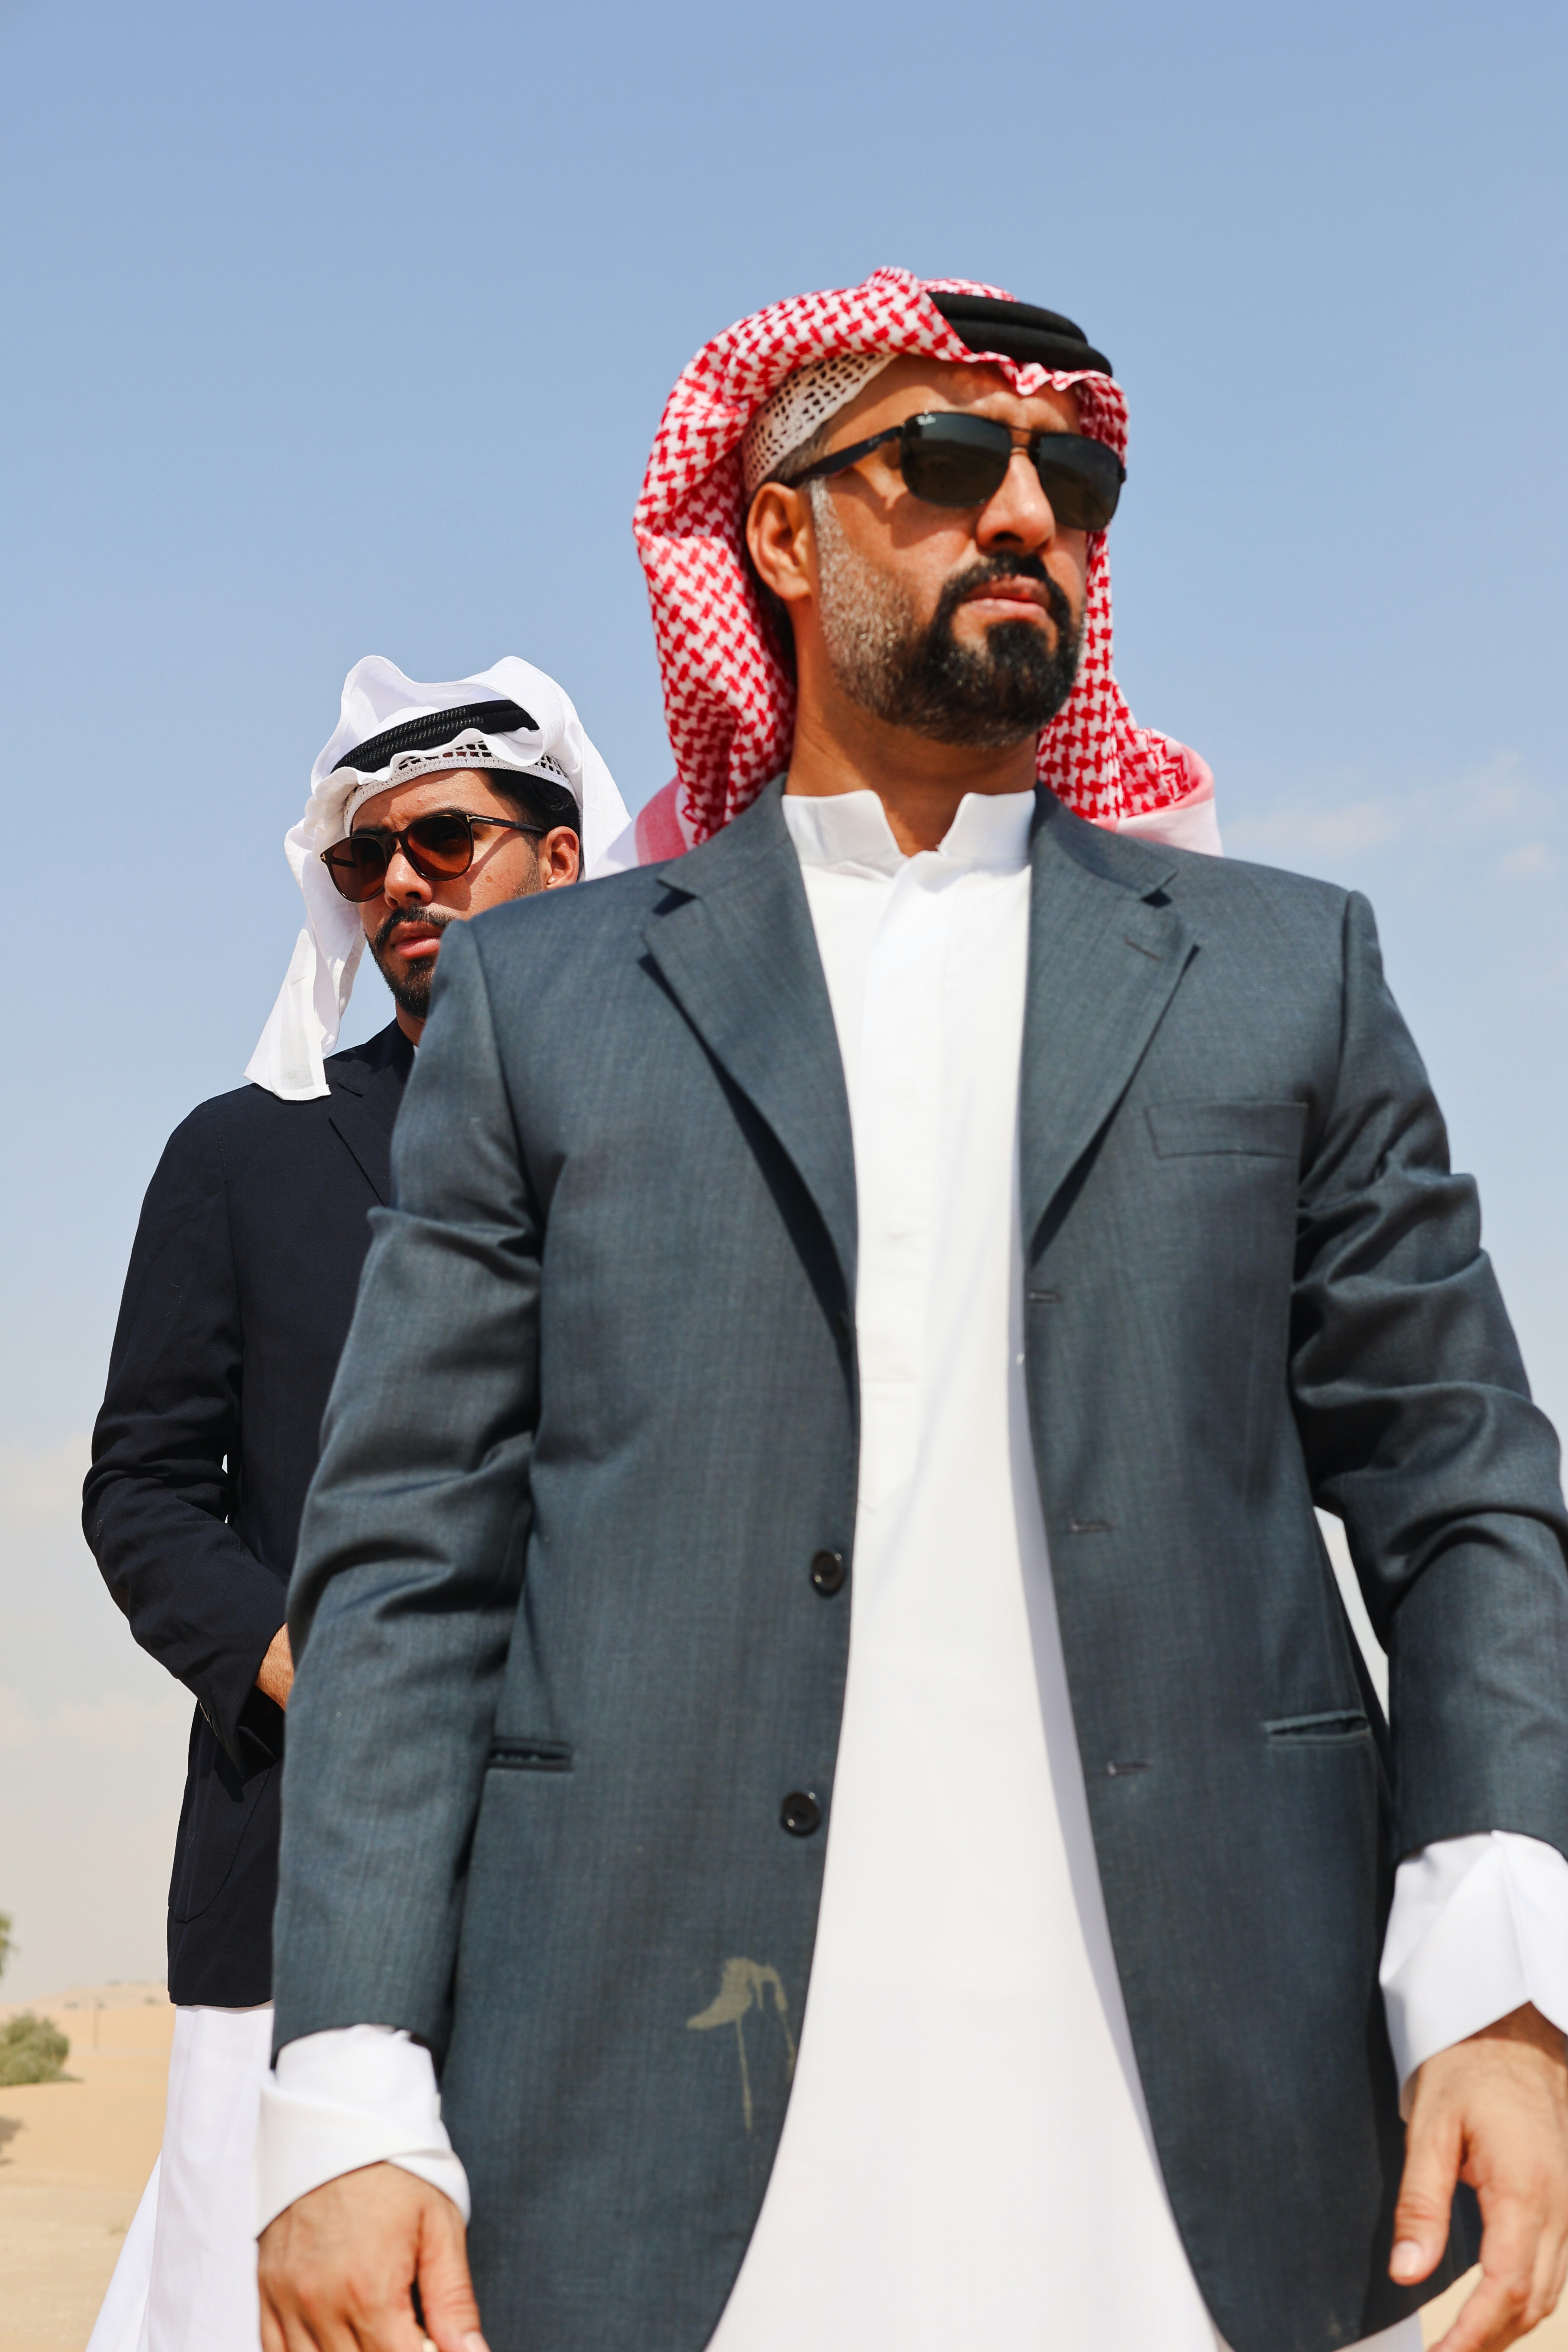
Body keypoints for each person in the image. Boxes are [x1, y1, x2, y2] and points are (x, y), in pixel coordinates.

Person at [258, 273, 1568, 2352]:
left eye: (1076, 473)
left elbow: (1465, 1488)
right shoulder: (550, 1002)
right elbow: (412, 1563)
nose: (1028, 510)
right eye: (948, 464)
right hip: (664, 2088)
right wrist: (342, 2082)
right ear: (775, 533)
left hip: (1211, 2097)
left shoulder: (1281, 974)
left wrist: (1500, 1985)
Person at [82, 656, 626, 2352]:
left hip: (617, 1889)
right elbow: (146, 1490)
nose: (399, 881)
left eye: (446, 841)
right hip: (299, 1882)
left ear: (564, 854)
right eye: (363, 859)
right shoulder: (243, 1157)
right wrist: (284, 1655)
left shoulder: (680, 1143)